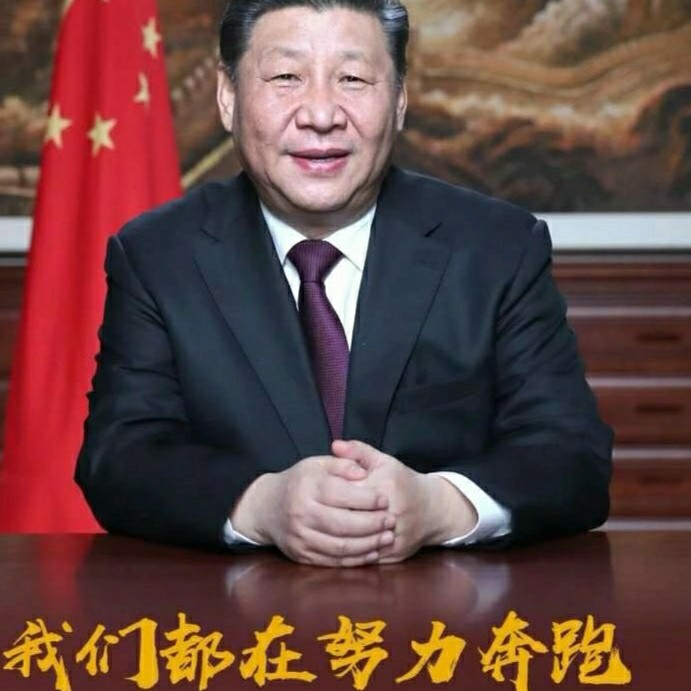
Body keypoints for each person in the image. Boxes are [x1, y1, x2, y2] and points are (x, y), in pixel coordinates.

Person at [76, 0, 613, 567]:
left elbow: (572, 456)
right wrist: (260, 505)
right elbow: (119, 457)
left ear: (400, 100)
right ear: (228, 96)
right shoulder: (158, 257)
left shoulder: (497, 249)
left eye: (353, 79)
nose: (321, 114)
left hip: (445, 611)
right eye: (286, 77)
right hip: (234, 612)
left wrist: (437, 505)